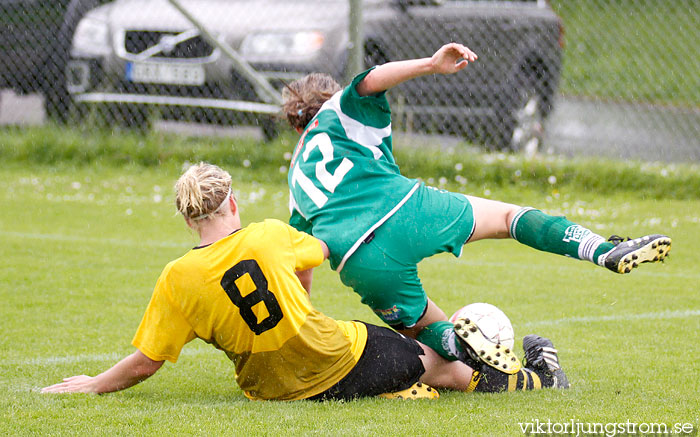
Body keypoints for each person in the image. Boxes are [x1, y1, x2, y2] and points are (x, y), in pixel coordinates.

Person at [281, 42, 672, 367]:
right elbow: (369, 80)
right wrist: (431, 64)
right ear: (330, 96)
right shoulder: (340, 109)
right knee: (508, 217)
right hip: (403, 211)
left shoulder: (296, 177)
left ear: (296, 126)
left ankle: (462, 346)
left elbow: (302, 262)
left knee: (427, 330)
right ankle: (603, 250)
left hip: (358, 262)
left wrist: (304, 326)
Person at [41, 162, 568, 400]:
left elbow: (146, 361)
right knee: (444, 362)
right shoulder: (271, 235)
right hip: (338, 358)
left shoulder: (176, 278)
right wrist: (304, 295)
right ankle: (536, 377)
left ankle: (400, 388)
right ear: (231, 202)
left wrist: (94, 382)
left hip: (270, 389)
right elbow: (320, 250)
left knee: (399, 357)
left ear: (188, 218)